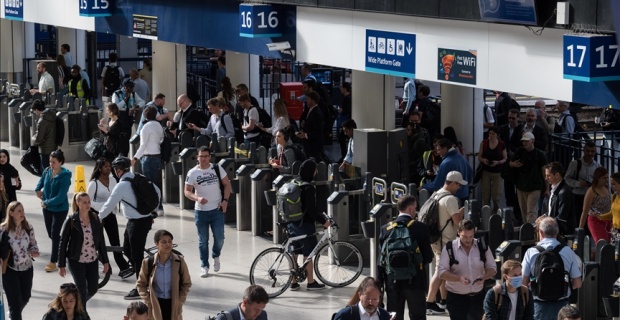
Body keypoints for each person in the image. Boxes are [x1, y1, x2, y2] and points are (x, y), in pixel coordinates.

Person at [97, 156, 160, 300]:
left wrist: (99, 218)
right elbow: (157, 191)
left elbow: (109, 204)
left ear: (118, 170)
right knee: (127, 248)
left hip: (137, 223)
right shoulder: (139, 177)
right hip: (140, 221)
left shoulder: (122, 185)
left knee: (136, 255)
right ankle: (145, 273)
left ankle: (141, 288)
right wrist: (152, 210)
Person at [379, 195, 433, 320]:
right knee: (418, 316)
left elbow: (380, 261)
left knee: (394, 316)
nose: (415, 210)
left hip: (392, 280)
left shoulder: (385, 229)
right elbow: (428, 257)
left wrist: (380, 283)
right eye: (415, 207)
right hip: (416, 280)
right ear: (409, 208)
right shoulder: (421, 228)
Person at [184, 146, 232, 278]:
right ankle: (204, 265)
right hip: (201, 212)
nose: (203, 159)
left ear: (210, 157)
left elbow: (227, 184)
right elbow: (187, 191)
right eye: (201, 156)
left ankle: (216, 255)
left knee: (220, 238)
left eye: (206, 156)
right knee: (203, 240)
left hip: (217, 210)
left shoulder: (216, 168)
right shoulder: (192, 173)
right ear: (197, 157)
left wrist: (225, 201)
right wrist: (197, 198)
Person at [58, 193, 110, 313]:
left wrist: (106, 261)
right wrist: (61, 264)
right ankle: (82, 315)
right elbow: (63, 242)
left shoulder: (95, 219)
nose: (87, 205)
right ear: (78, 203)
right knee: (81, 290)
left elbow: (101, 241)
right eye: (84, 202)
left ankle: (77, 307)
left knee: (93, 288)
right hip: (76, 260)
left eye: (89, 202)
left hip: (92, 260)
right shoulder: (72, 220)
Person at [521, 217, 582, 319]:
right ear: (557, 233)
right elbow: (578, 283)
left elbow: (523, 283)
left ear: (540, 232)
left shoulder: (531, 252)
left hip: (538, 306)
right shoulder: (568, 251)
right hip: (562, 308)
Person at [438, 219, 497, 320]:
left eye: (471, 236)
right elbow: (442, 272)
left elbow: (493, 268)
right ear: (458, 232)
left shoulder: (482, 246)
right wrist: (458, 278)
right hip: (457, 298)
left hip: (478, 297)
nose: (468, 240)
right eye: (464, 236)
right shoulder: (449, 248)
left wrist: (484, 277)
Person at [426, 171, 467, 315]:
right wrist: (461, 213)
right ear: (453, 183)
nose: (459, 188)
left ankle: (443, 301)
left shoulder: (436, 194)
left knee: (444, 270)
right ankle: (430, 302)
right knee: (440, 271)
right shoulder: (451, 199)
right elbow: (457, 222)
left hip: (436, 238)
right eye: (458, 185)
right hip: (446, 241)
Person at [288, 159, 330, 290]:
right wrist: (324, 221)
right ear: (311, 171)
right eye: (315, 170)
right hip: (305, 224)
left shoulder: (294, 182)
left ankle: (293, 282)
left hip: (292, 223)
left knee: (293, 252)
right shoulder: (309, 187)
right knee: (309, 252)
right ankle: (311, 282)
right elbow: (311, 210)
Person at [87, 158, 131, 276]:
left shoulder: (113, 180)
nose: (108, 168)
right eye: (105, 166)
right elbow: (88, 201)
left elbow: (116, 195)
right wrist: (103, 206)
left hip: (110, 214)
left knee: (115, 241)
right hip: (97, 216)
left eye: (109, 166)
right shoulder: (93, 184)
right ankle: (104, 266)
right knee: (99, 242)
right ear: (100, 168)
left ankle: (123, 267)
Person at [137, 230, 192, 320]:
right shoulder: (148, 262)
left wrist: (180, 301)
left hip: (173, 303)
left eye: (170, 241)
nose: (168, 244)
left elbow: (187, 283)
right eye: (164, 242)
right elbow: (140, 284)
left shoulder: (179, 261)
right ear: (156, 244)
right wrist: (148, 301)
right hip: (156, 303)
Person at [0, 201, 40, 320]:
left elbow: (33, 243)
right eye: (19, 211)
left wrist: (34, 251)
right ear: (11, 213)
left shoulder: (28, 227)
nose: (22, 213)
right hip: (10, 269)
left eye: (23, 210)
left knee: (25, 297)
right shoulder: (3, 230)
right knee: (15, 303)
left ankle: (13, 314)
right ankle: (14, 314)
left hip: (27, 268)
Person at [35, 149, 72, 273]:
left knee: (55, 234)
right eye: (50, 161)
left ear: (60, 162)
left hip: (60, 209)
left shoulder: (64, 177)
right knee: (52, 234)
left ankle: (53, 261)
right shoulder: (47, 171)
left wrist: (46, 202)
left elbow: (61, 197)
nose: (51, 164)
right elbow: (41, 182)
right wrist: (37, 190)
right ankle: (64, 248)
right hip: (47, 209)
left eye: (54, 162)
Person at [132, 106, 165, 216]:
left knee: (149, 184)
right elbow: (161, 139)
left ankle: (153, 207)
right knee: (156, 182)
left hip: (147, 158)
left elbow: (142, 145)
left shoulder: (145, 127)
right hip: (157, 156)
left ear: (145, 115)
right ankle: (159, 205)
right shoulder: (158, 125)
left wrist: (135, 158)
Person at [509, 132, 547, 225]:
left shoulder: (540, 154)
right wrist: (513, 164)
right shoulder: (519, 152)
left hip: (535, 186)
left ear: (532, 141)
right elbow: (510, 162)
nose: (524, 143)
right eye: (523, 141)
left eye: (527, 141)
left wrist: (547, 188)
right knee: (524, 211)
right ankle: (527, 230)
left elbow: (544, 171)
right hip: (521, 186)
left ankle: (531, 230)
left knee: (531, 211)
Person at [421, 138, 472, 204]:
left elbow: (437, 184)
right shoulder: (461, 157)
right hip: (465, 194)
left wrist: (423, 187)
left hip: (452, 196)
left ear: (445, 149)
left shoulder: (446, 163)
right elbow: (470, 173)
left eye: (439, 150)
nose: (437, 152)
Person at [500, 108, 524, 223]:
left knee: (517, 191)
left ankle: (517, 214)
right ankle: (510, 212)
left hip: (517, 163)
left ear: (518, 118)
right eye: (509, 118)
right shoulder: (504, 129)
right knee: (508, 189)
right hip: (507, 163)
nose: (511, 120)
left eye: (513, 118)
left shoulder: (521, 129)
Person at [564, 141, 601, 216]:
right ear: (584, 150)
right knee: (577, 218)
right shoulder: (575, 163)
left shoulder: (597, 166)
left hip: (592, 198)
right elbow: (566, 179)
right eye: (588, 151)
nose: (590, 153)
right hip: (578, 196)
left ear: (595, 152)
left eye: (592, 151)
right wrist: (578, 183)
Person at [542, 162, 576, 239]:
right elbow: (553, 210)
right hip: (556, 232)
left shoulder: (564, 192)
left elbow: (562, 217)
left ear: (557, 175)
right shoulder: (555, 189)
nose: (546, 178)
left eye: (548, 176)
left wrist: (546, 224)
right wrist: (544, 216)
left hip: (563, 234)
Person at [478, 126, 507, 211]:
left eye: (493, 134)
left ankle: (496, 213)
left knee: (496, 196)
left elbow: (505, 158)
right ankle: (486, 213)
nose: (491, 135)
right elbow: (479, 156)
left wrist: (497, 162)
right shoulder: (484, 143)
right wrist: (483, 160)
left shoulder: (501, 144)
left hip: (497, 172)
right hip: (486, 171)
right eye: (490, 133)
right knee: (485, 195)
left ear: (497, 135)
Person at [579, 167, 612, 243]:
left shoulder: (607, 188)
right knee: (602, 242)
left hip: (608, 220)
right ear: (598, 178)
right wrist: (580, 229)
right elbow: (585, 211)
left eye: (607, 178)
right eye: (604, 178)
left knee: (609, 244)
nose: (606, 180)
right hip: (596, 221)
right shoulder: (591, 191)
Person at [296, 92, 325, 162]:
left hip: (314, 145)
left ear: (313, 100)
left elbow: (318, 131)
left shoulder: (317, 113)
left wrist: (305, 135)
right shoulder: (310, 110)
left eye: (308, 99)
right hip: (309, 145)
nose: (306, 100)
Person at [31, 99, 58, 171]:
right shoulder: (53, 115)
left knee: (45, 171)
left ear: (36, 109)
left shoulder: (42, 121)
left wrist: (33, 138)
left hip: (45, 150)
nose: (35, 113)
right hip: (54, 147)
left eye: (34, 111)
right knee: (53, 170)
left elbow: (39, 139)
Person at [597, 172, 620, 243]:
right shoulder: (614, 196)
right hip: (615, 231)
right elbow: (611, 214)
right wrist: (599, 216)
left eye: (614, 184)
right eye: (611, 184)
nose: (612, 186)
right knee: (614, 252)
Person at [337, 82, 352, 161]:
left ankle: (344, 156)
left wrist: (341, 110)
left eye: (341, 87)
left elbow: (346, 110)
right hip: (349, 121)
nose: (340, 89)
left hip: (346, 121)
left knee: (342, 138)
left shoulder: (347, 98)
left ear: (345, 88)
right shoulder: (350, 97)